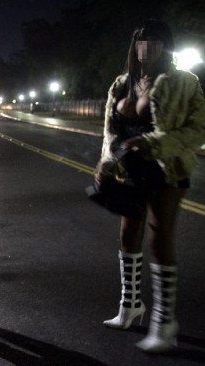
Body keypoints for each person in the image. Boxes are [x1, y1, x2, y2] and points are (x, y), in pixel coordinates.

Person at [95, 19, 205, 353]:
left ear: (165, 46)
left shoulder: (184, 82)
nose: (147, 47)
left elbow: (198, 130)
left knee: (160, 238)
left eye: (156, 41)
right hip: (131, 169)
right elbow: (110, 131)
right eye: (141, 41)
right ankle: (130, 307)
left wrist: (154, 143)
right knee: (129, 236)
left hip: (167, 168)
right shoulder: (122, 83)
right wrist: (107, 160)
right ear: (134, 46)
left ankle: (164, 321)